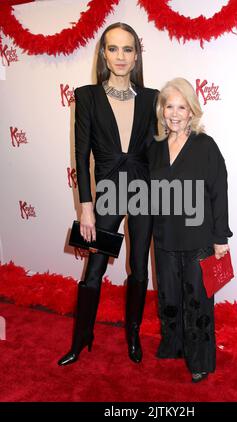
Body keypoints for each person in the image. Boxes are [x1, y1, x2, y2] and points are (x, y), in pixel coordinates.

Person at [58, 23, 158, 366]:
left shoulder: (151, 99)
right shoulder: (86, 96)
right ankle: (81, 337)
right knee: (94, 269)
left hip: (144, 193)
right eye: (113, 48)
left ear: (136, 55)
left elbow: (160, 153)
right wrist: (86, 208)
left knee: (139, 268)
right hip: (107, 195)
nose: (120, 56)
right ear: (103, 53)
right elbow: (81, 155)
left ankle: (133, 334)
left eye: (127, 49)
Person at [148, 78, 233, 383]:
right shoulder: (155, 147)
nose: (174, 112)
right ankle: (174, 345)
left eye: (181, 106)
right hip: (165, 237)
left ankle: (199, 359)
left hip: (198, 238)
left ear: (191, 111)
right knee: (169, 295)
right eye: (169, 105)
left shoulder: (204, 146)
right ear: (162, 110)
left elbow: (218, 192)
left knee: (197, 298)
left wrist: (220, 238)